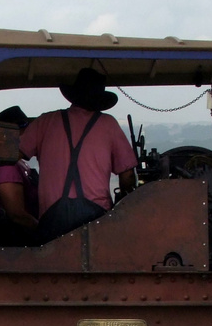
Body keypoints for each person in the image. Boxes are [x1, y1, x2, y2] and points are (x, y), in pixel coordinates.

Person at [18, 67, 138, 242]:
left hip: (52, 219)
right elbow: (127, 174)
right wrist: (126, 197)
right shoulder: (109, 124)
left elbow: (14, 153)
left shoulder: (46, 121)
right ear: (99, 99)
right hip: (96, 217)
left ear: (73, 95)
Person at [0, 106, 39, 247]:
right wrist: (45, 234)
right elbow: (17, 215)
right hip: (17, 246)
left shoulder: (18, 163)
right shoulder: (7, 167)